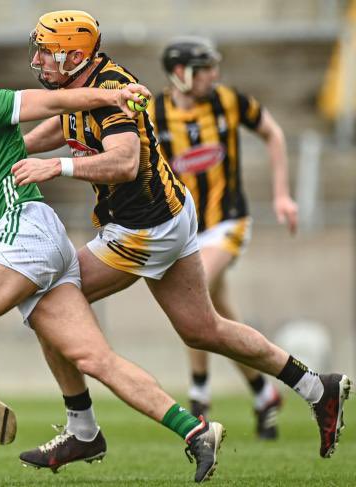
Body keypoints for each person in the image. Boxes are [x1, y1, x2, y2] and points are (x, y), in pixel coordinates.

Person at [12, 9, 351, 473]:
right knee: (203, 328)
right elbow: (65, 123)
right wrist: (14, 149)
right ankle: (316, 386)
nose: (38, 60)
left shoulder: (112, 89)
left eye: (46, 53)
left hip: (143, 230)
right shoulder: (79, 88)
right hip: (171, 216)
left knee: (49, 303)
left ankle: (82, 430)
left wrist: (57, 167)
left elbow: (125, 162)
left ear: (74, 54)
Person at [0, 45, 225, 483]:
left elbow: (56, 102)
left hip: (23, 228)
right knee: (95, 358)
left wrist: (111, 97)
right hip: (42, 241)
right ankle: (195, 432)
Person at [146, 36, 298, 438]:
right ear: (180, 74)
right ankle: (263, 392)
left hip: (227, 220)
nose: (213, 75)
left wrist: (282, 194)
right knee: (219, 314)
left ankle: (199, 395)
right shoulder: (154, 112)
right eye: (204, 69)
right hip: (185, 226)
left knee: (192, 299)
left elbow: (274, 134)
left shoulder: (228, 101)